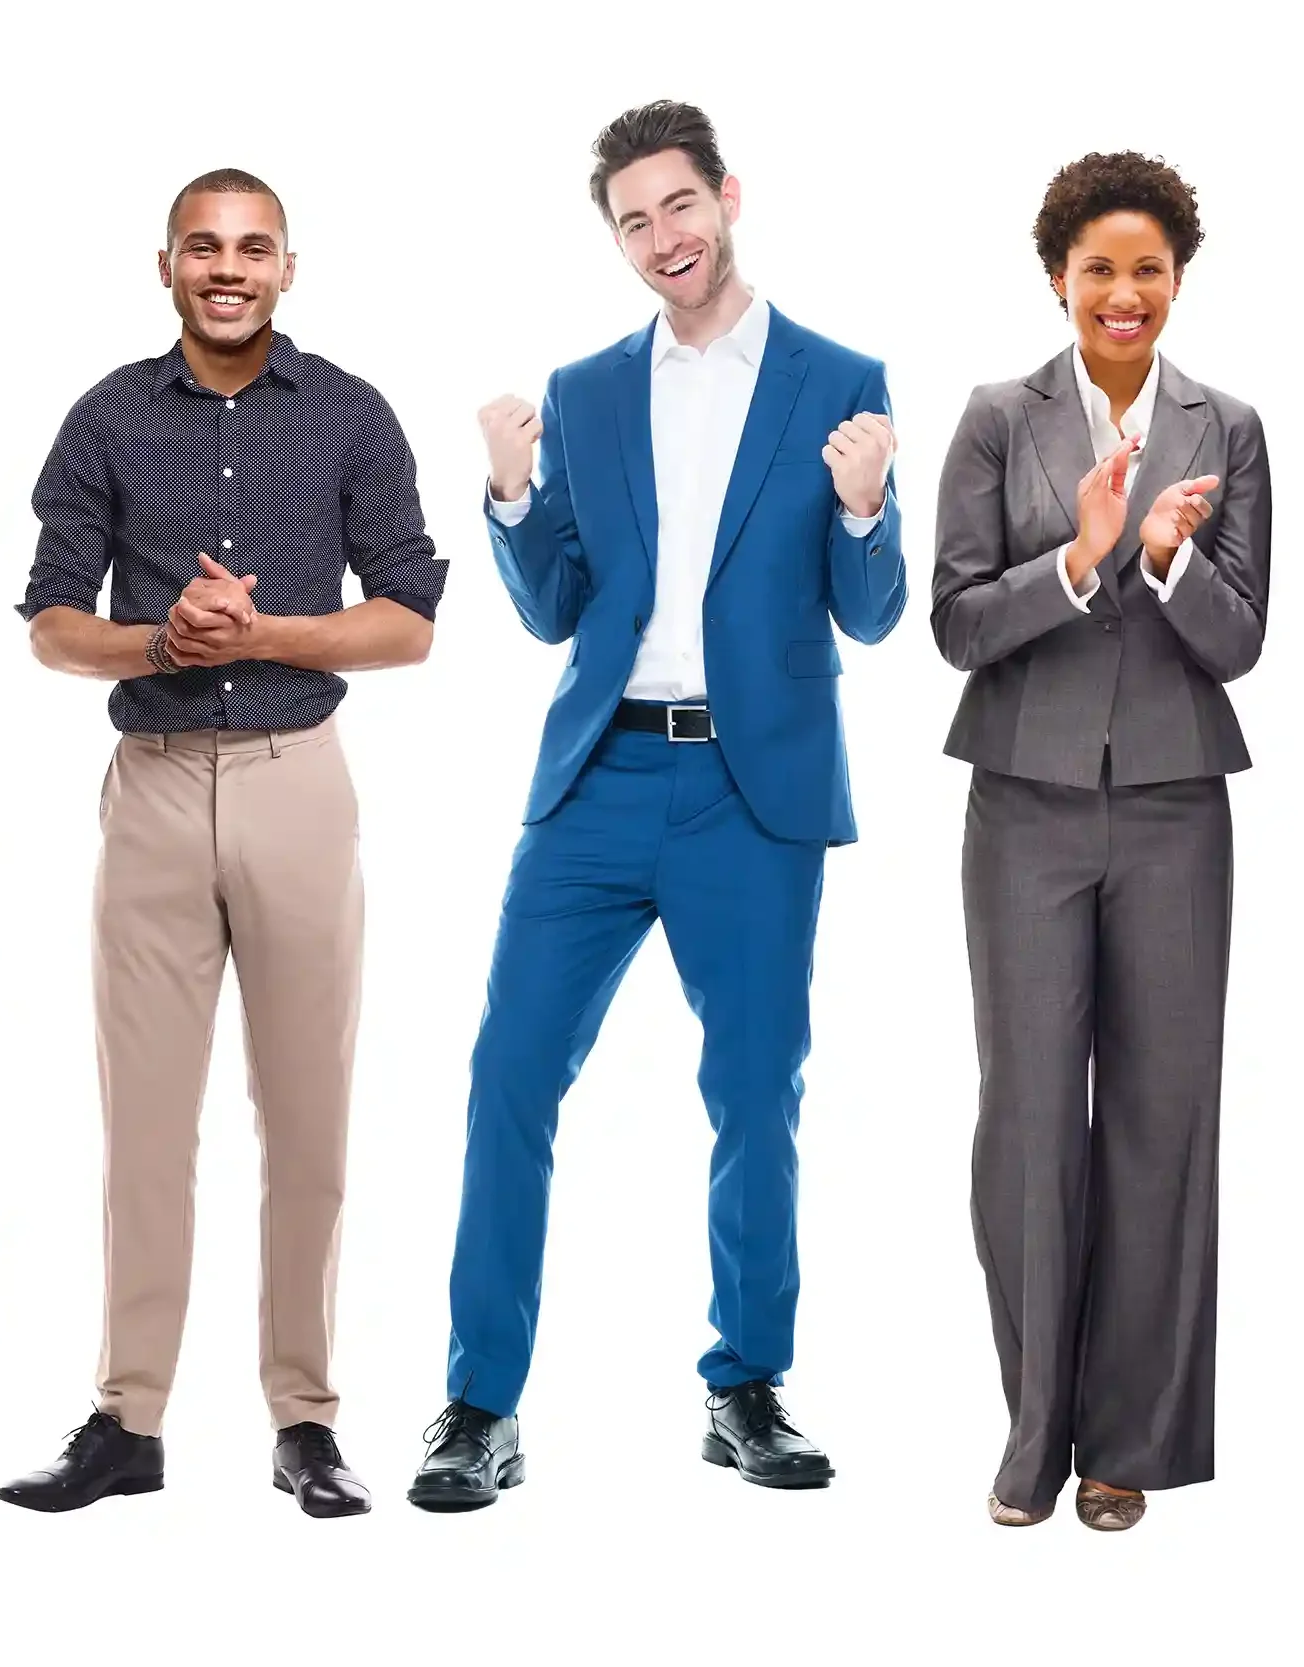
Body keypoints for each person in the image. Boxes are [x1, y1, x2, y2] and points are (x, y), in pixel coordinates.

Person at [409, 100, 905, 1511]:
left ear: (728, 197)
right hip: (599, 781)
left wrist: (866, 509)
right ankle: (475, 1405)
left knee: (755, 1091)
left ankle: (744, 1385)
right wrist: (511, 497)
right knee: (510, 1075)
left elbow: (871, 614)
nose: (661, 239)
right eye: (633, 221)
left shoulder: (838, 377)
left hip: (754, 792)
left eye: (678, 207)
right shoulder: (583, 391)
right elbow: (562, 603)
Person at [0, 168, 444, 1519]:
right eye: (206, 246)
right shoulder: (107, 419)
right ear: (167, 266)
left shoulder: (353, 417)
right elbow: (50, 619)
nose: (229, 268)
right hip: (150, 788)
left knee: (306, 1115)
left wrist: (262, 635)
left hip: (298, 779)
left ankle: (304, 1418)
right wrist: (163, 642)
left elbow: (411, 617)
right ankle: (127, 1418)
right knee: (145, 1122)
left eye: (254, 248)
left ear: (288, 269)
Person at [931, 152, 1265, 1533]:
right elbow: (953, 620)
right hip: (1025, 803)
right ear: (1057, 278)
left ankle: (1124, 1445)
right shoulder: (998, 420)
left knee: (1161, 1119)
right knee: (1028, 1123)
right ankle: (1035, 1429)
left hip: (1181, 807)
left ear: (1177, 279)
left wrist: (1172, 557)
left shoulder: (1228, 426)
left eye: (1148, 269)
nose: (1124, 293)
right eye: (1099, 269)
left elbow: (1242, 640)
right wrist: (1079, 557)